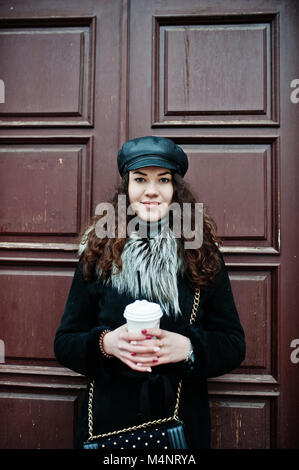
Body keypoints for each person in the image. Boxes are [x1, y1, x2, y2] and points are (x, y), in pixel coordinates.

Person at [54, 136, 246, 449]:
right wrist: (106, 344)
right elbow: (64, 343)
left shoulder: (201, 254)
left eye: (163, 180)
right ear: (126, 188)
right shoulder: (98, 253)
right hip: (107, 427)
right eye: (140, 179)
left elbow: (234, 344)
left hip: (179, 427)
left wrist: (189, 348)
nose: (151, 190)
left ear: (175, 190)